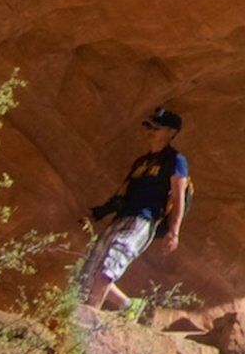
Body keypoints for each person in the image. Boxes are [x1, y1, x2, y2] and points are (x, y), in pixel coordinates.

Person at [81, 107, 189, 310]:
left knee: (109, 266)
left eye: (157, 127)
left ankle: (89, 313)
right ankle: (130, 306)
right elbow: (122, 193)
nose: (151, 131)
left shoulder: (176, 161)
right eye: (150, 126)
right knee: (90, 269)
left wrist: (174, 233)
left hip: (144, 220)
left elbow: (178, 197)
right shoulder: (141, 162)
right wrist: (98, 213)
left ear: (172, 133)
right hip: (122, 218)